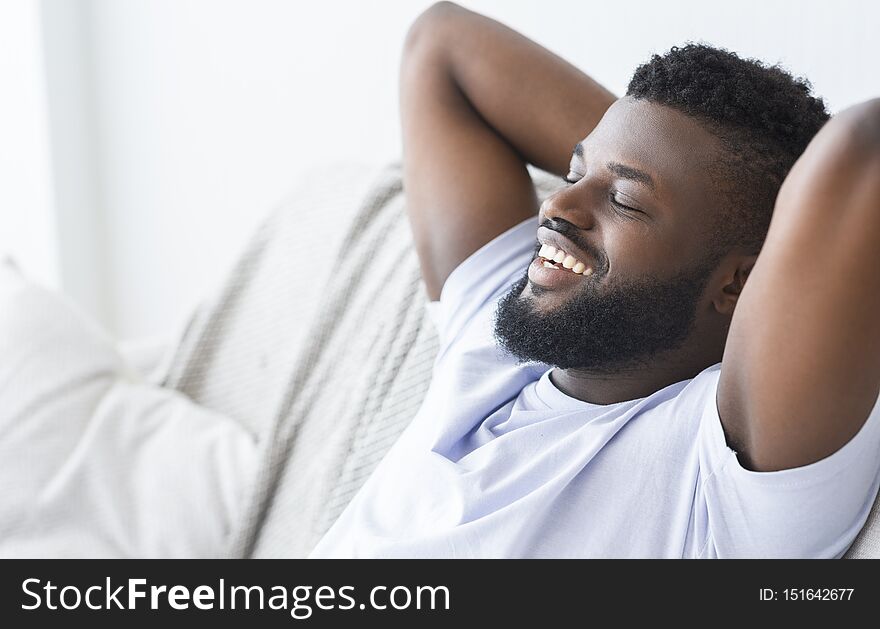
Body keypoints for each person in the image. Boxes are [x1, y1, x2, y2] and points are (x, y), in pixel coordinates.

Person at [309, 2, 880, 557]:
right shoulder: (495, 333)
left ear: (739, 285)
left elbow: (859, 157)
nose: (556, 204)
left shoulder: (722, 474)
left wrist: (727, 188)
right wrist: (660, 154)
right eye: (575, 170)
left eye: (624, 200)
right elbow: (441, 41)